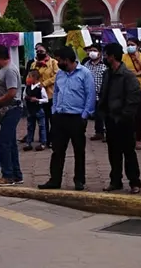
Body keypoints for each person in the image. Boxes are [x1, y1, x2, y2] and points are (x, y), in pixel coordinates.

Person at [37, 46, 95, 191]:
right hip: (60, 117)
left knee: (78, 151)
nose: (58, 63)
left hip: (77, 117)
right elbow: (56, 92)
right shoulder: (61, 74)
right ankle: (54, 180)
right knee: (57, 151)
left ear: (68, 60)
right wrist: (54, 110)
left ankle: (79, 180)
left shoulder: (85, 73)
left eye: (60, 61)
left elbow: (90, 95)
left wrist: (84, 115)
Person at [99, 43, 141, 193]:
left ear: (112, 56)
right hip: (110, 119)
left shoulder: (127, 76)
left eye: (106, 55)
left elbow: (133, 98)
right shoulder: (107, 74)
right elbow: (104, 94)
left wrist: (124, 116)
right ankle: (115, 181)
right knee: (113, 153)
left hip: (124, 121)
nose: (104, 58)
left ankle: (134, 182)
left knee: (129, 153)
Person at [0, 45, 23, 186]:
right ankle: (16, 174)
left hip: (12, 108)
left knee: (4, 143)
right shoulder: (4, 70)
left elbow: (12, 92)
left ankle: (8, 175)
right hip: (6, 110)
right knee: (11, 143)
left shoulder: (9, 71)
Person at [34, 45, 59, 139]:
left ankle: (53, 138)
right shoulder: (34, 64)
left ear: (46, 51)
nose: (39, 53)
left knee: (52, 119)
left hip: (50, 94)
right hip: (39, 96)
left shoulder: (53, 63)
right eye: (37, 51)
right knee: (42, 119)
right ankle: (44, 138)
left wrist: (44, 83)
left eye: (41, 51)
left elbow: (57, 76)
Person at [84, 45, 107, 142]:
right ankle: (99, 132)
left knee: (103, 114)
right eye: (90, 50)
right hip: (90, 95)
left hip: (102, 93)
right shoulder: (86, 64)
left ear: (100, 53)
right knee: (96, 115)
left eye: (94, 50)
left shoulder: (104, 65)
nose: (92, 52)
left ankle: (107, 133)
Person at [22, 69, 49, 150]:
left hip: (38, 110)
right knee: (30, 127)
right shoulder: (27, 87)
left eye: (29, 76)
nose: (28, 78)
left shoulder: (40, 88)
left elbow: (46, 99)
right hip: (30, 110)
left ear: (34, 78)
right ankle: (28, 143)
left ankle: (43, 143)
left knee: (42, 127)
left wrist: (37, 100)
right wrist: (27, 98)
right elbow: (24, 96)